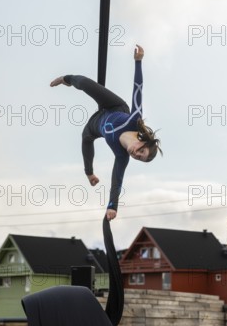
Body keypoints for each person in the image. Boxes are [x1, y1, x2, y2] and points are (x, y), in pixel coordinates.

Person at [50, 45, 161, 221]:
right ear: (143, 141)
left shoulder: (121, 156)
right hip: (113, 106)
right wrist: (138, 61)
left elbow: (117, 182)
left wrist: (112, 207)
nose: (136, 154)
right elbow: (138, 88)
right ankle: (67, 79)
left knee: (85, 139)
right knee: (85, 83)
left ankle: (88, 172)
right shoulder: (134, 120)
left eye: (139, 158)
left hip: (96, 125)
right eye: (141, 150)